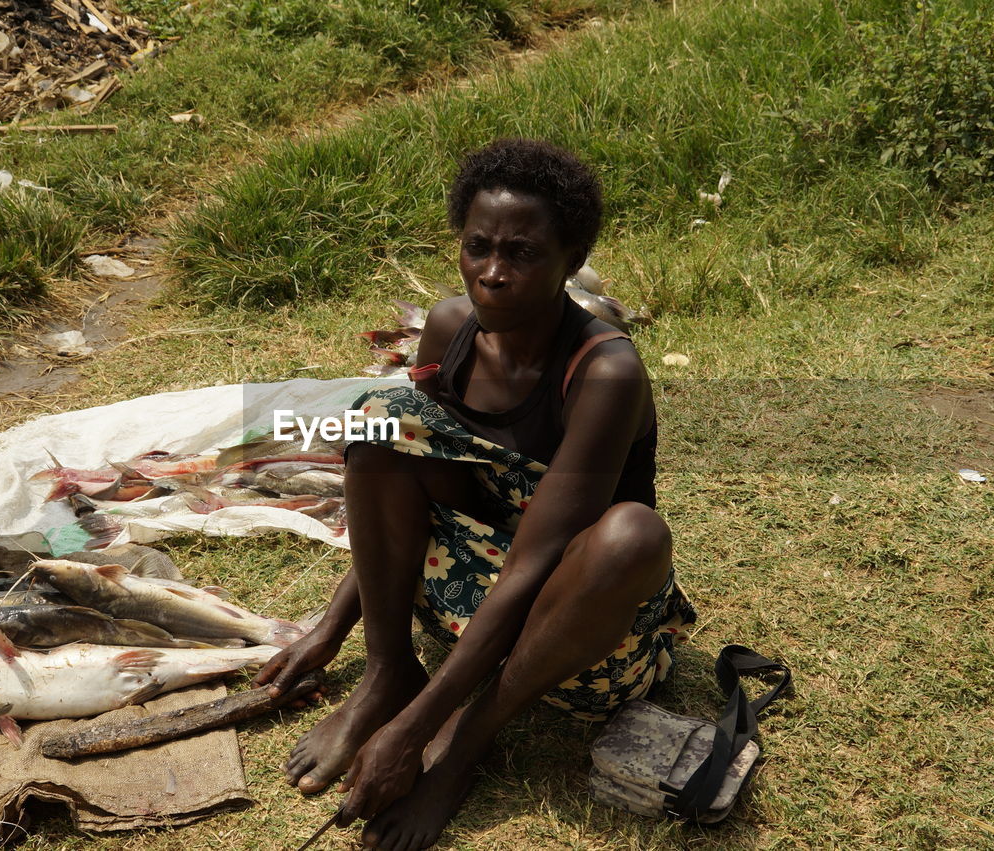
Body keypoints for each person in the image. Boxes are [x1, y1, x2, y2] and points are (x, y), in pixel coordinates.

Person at [256, 138, 696, 849]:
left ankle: (469, 743)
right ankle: (389, 670)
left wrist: (422, 730)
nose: (492, 274)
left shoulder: (605, 370)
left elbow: (536, 560)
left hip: (575, 635)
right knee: (378, 421)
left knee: (632, 534)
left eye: (521, 253)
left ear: (571, 261)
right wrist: (336, 632)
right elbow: (400, 472)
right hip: (467, 597)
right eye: (477, 247)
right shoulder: (451, 327)